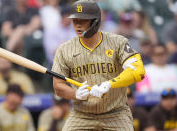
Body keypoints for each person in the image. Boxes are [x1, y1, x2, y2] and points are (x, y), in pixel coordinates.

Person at [52, 0, 145, 130]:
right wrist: (75, 94)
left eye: (82, 20)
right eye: (75, 20)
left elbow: (138, 71)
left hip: (116, 114)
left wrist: (109, 84)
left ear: (95, 21)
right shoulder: (64, 49)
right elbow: (58, 86)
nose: (77, 25)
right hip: (81, 115)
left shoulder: (118, 42)